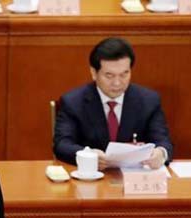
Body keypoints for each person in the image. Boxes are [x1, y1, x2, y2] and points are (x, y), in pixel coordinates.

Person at [53, 37, 173, 170]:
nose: (117, 83)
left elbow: (163, 141)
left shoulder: (149, 101)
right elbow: (61, 144)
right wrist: (87, 155)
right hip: (91, 176)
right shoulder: (73, 102)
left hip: (134, 179)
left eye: (124, 74)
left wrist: (161, 154)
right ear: (94, 73)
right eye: (109, 75)